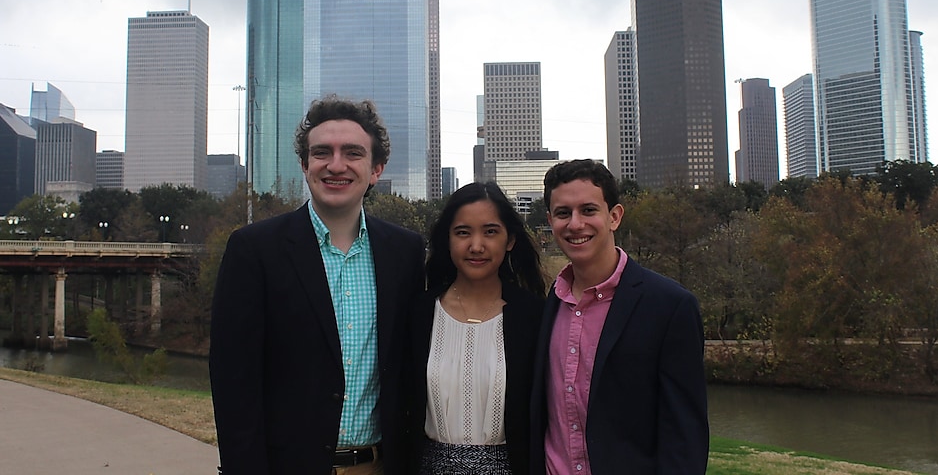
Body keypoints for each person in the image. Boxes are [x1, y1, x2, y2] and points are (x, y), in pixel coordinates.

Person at [209, 96, 426, 475]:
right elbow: (233, 383)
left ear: (376, 169)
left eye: (353, 153)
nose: (336, 165)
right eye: (322, 152)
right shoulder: (254, 250)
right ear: (305, 164)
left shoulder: (405, 252)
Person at [529, 159, 709, 475]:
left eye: (588, 210)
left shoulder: (669, 307)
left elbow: (685, 437)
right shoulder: (550, 305)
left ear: (614, 216)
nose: (575, 224)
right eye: (563, 213)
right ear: (550, 220)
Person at [403, 181, 546, 475]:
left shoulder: (535, 316)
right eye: (463, 232)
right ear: (447, 239)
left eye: (490, 232)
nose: (476, 246)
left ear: (510, 240)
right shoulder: (418, 313)